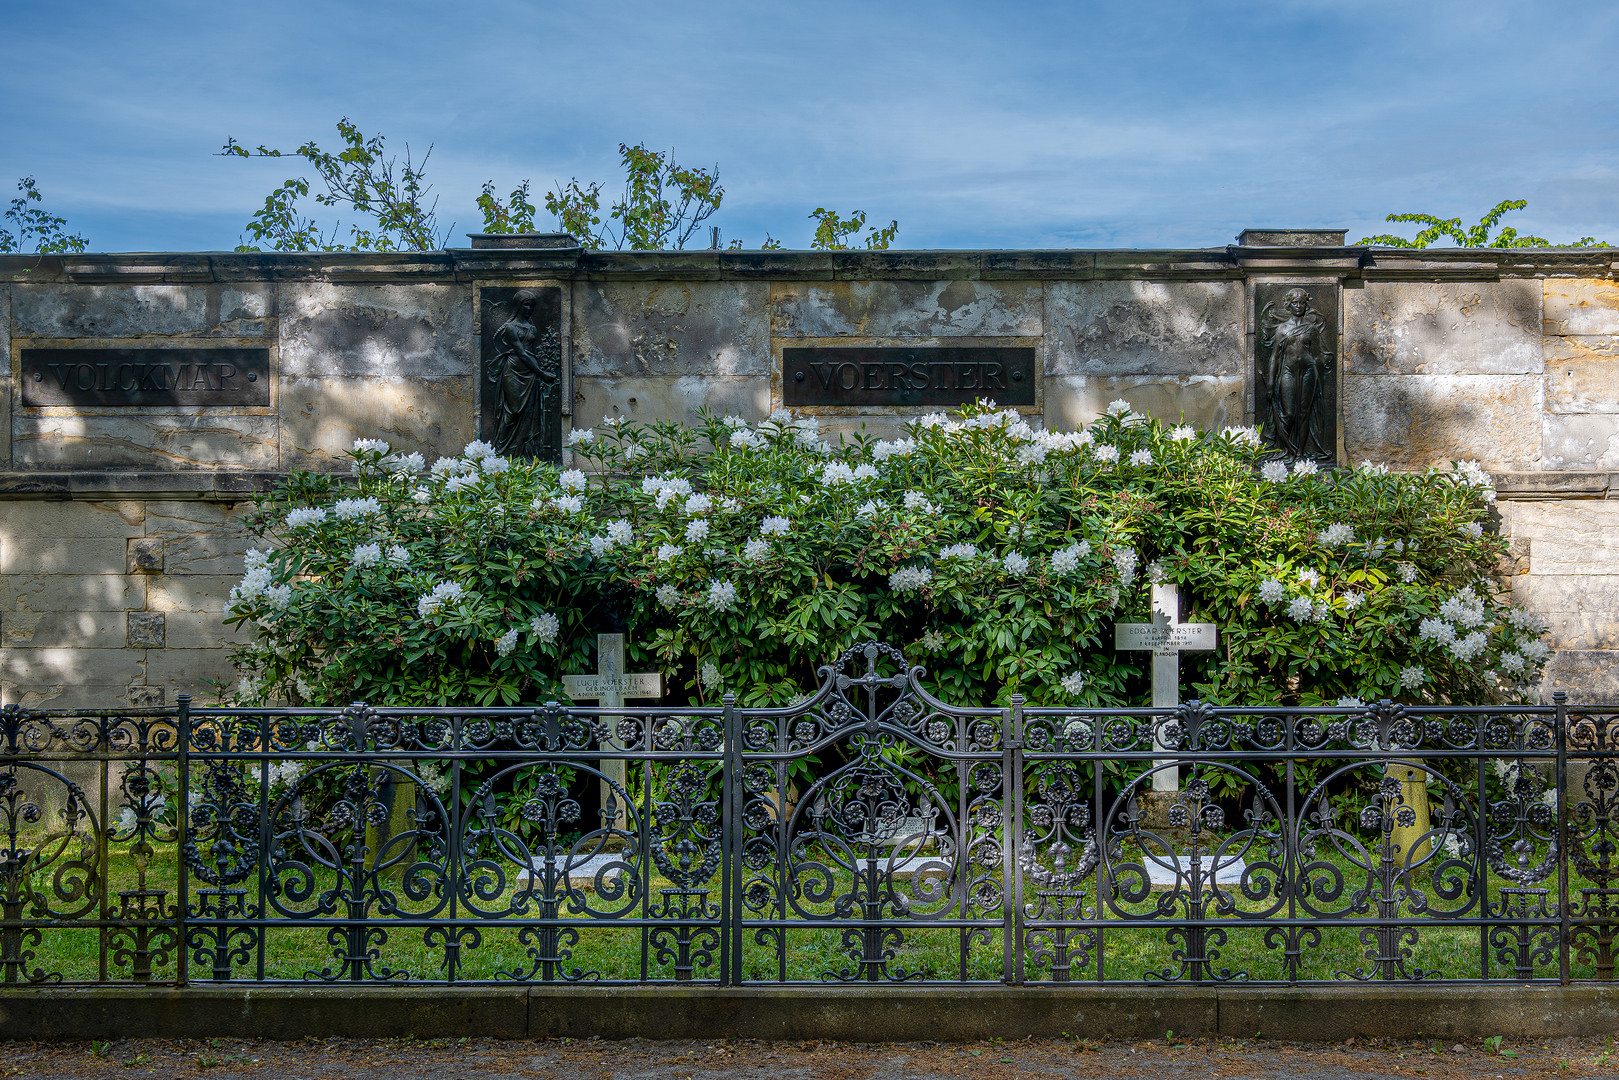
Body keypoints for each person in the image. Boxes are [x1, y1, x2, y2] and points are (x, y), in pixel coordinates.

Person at [1259, 288, 1332, 460]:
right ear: (1288, 305)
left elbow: (1319, 353)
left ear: (1306, 305)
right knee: (1289, 412)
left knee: (1303, 413)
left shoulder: (1312, 329)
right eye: (1295, 303)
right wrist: (1270, 384)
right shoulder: (1282, 329)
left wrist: (1319, 363)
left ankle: (1299, 452)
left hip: (1308, 371)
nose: (1298, 306)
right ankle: (1285, 448)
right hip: (1288, 371)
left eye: (1301, 303)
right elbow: (1275, 356)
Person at [486, 290, 560, 459]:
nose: (529, 309)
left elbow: (531, 352)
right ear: (518, 306)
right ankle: (500, 451)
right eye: (526, 305)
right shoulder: (510, 328)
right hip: (513, 370)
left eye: (532, 306)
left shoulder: (532, 328)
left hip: (530, 372)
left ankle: (525, 454)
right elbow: (522, 353)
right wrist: (542, 373)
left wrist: (538, 371)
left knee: (529, 412)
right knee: (512, 411)